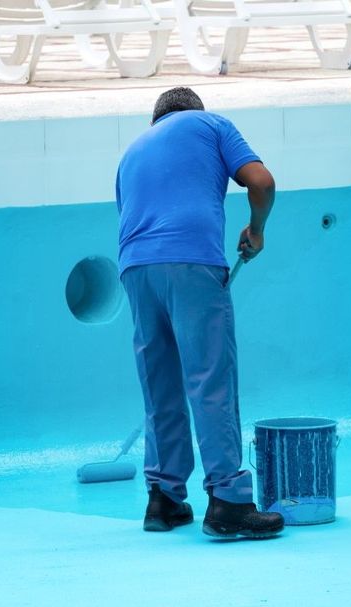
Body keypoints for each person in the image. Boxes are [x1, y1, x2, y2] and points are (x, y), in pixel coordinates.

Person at [115, 87, 283, 539]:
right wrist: (258, 229)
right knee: (210, 379)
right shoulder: (210, 125)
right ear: (192, 111)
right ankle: (229, 501)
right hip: (191, 260)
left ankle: (164, 500)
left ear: (157, 120)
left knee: (161, 383)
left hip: (134, 269)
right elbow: (261, 182)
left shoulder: (131, 152)